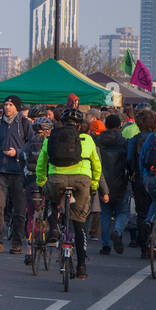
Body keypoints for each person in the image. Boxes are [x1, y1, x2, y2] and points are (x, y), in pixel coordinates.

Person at [37, 106, 101, 279]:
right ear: (79, 126)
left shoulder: (52, 137)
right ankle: (81, 266)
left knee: (52, 198)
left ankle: (53, 231)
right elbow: (97, 165)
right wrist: (94, 184)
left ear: (61, 123)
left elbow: (42, 162)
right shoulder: (87, 140)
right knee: (79, 225)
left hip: (57, 179)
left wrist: (42, 182)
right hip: (81, 182)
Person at [0, 94, 32, 255]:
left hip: (19, 173)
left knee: (19, 209)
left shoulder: (25, 124)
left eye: (10, 105)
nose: (7, 107)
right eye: (5, 104)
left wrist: (17, 152)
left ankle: (17, 242)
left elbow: (31, 146)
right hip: (1, 171)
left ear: (17, 107)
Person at [96, 114, 131, 255]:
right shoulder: (124, 141)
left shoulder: (98, 139)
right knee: (122, 212)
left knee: (105, 213)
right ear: (119, 125)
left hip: (103, 180)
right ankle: (117, 230)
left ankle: (106, 245)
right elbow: (129, 161)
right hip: (121, 180)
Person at [21, 117, 53, 265]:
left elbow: (22, 162)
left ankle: (29, 250)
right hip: (48, 183)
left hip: (31, 183)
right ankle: (52, 234)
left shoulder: (28, 144)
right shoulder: (51, 144)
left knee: (31, 214)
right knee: (52, 210)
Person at [127, 107, 156, 257]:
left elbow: (128, 159)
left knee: (141, 212)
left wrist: (132, 172)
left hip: (139, 178)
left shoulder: (135, 139)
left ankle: (144, 247)